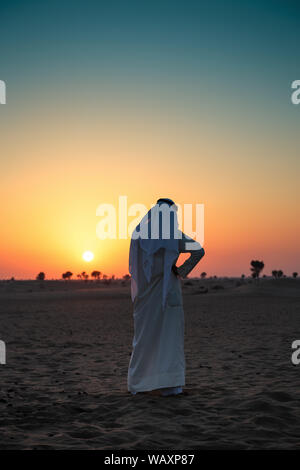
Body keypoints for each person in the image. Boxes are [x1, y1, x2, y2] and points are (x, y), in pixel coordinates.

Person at [128, 198, 205, 396]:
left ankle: (139, 385)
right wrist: (181, 270)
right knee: (169, 338)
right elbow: (199, 250)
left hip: (145, 297)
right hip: (168, 293)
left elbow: (134, 267)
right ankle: (171, 387)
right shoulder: (174, 236)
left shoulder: (139, 235)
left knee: (144, 339)